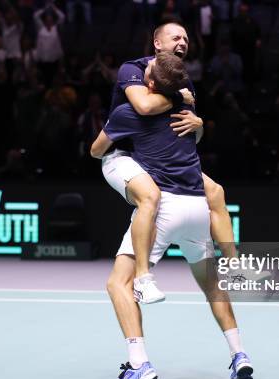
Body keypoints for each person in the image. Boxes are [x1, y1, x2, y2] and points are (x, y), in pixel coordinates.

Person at [90, 52, 253, 379]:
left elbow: (96, 150)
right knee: (211, 285)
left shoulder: (127, 112)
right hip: (198, 209)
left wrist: (117, 139)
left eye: (146, 71)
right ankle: (239, 355)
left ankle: (138, 364)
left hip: (164, 207)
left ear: (149, 84)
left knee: (118, 285)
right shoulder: (187, 113)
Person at [99, 22, 238, 304]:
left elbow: (185, 135)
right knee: (151, 197)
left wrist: (199, 125)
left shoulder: (181, 80)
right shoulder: (133, 69)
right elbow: (144, 107)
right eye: (176, 37)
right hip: (124, 154)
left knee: (216, 192)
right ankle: (142, 278)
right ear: (157, 43)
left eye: (186, 38)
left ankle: (236, 268)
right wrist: (178, 98)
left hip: (154, 155)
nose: (183, 42)